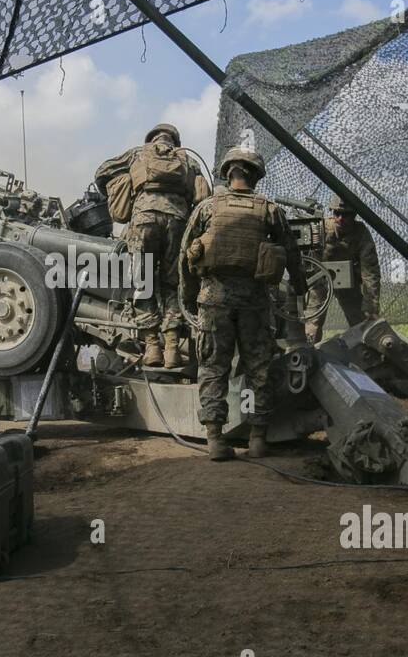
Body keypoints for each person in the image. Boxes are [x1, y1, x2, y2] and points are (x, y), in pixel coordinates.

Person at [180, 147, 306, 461]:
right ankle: (258, 438)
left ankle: (215, 440)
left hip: (213, 301)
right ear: (254, 175)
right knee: (259, 368)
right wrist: (300, 286)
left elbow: (185, 253)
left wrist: (187, 295)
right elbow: (291, 252)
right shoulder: (269, 210)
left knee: (213, 368)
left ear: (229, 172)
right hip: (255, 302)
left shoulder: (208, 207)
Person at [119, 123, 208, 367]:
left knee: (143, 281)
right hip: (177, 222)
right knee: (173, 283)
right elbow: (201, 196)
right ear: (175, 141)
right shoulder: (189, 160)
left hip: (143, 220)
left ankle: (152, 347)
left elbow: (102, 171)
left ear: (151, 138)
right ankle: (172, 350)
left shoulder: (136, 153)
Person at [305, 196, 380, 343]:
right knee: (312, 323)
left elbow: (370, 271)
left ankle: (365, 356)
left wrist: (371, 306)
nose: (340, 219)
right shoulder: (320, 227)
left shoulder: (360, 233)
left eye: (345, 215)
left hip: (348, 280)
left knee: (361, 324)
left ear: (354, 216)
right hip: (319, 280)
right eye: (336, 214)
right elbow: (307, 260)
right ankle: (306, 356)